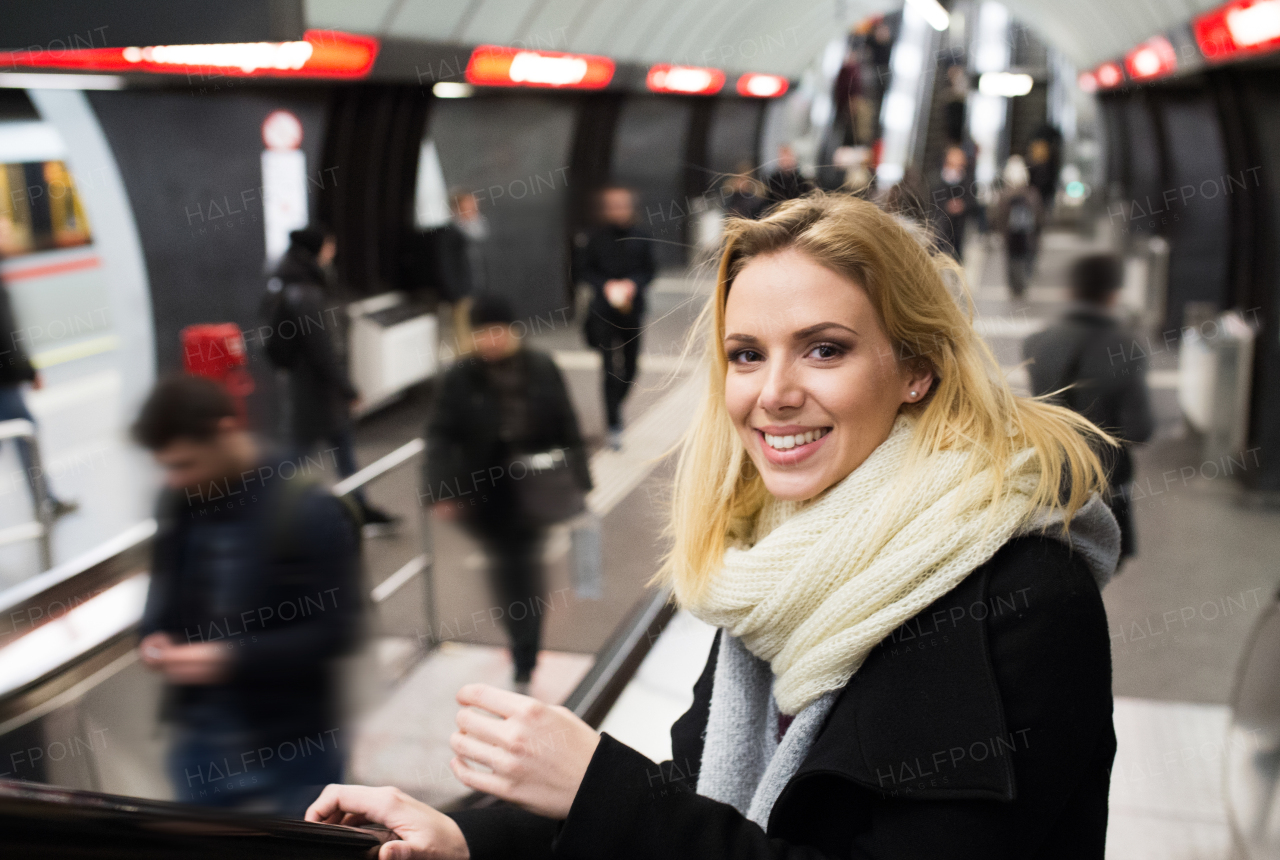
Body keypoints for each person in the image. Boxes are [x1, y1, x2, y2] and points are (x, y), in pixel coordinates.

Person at [307, 194, 1120, 860]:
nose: (773, 393)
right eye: (746, 354)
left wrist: (599, 787)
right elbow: (706, 793)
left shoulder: (1026, 598)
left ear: (916, 368)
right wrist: (470, 837)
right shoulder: (783, 561)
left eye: (825, 350)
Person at [134, 374, 361, 817]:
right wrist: (154, 633)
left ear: (224, 432)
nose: (176, 478)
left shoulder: (307, 507)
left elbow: (337, 632)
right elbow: (164, 588)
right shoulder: (181, 501)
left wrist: (227, 659)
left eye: (185, 464)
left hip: (294, 747)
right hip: (201, 743)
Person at [424, 294, 592, 691]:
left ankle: (524, 651)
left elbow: (568, 422)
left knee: (521, 571)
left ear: (513, 331)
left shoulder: (540, 367)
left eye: (498, 331)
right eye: (482, 333)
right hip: (487, 493)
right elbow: (440, 435)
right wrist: (440, 489)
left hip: (535, 486)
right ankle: (523, 644)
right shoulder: (460, 376)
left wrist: (582, 480)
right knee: (509, 574)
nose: (491, 340)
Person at [266, 226, 398, 533]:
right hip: (315, 392)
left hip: (315, 390)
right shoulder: (307, 292)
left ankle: (360, 506)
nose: (332, 252)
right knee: (299, 455)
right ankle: (268, 513)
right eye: (328, 245)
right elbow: (321, 349)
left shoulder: (295, 285)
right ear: (317, 250)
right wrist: (346, 386)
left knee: (339, 450)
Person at [1024, 253, 1153, 564]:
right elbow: (1139, 430)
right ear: (1113, 294)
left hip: (1053, 481)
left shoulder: (1037, 343)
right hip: (1107, 487)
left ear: (1071, 292)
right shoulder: (1126, 347)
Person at [579, 186, 656, 449]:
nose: (617, 209)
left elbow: (649, 270)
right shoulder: (595, 238)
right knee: (610, 370)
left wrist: (633, 284)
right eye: (612, 205)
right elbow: (584, 271)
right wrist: (606, 286)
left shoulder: (642, 237)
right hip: (603, 311)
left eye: (622, 204)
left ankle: (616, 404)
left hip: (632, 311)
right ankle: (613, 421)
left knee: (631, 367)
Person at [0, 270, 76, 520]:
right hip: (4, 382)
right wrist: (28, 371)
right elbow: (6, 332)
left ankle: (46, 501)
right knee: (26, 437)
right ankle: (45, 502)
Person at [994, 155, 1044, 299]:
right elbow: (1039, 216)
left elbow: (998, 216)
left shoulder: (1004, 195)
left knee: (1012, 259)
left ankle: (1015, 285)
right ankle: (1022, 283)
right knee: (1024, 258)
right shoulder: (1032, 194)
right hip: (1027, 236)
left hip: (1010, 236)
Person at [931, 144, 973, 261]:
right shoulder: (936, 179)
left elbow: (971, 200)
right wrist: (945, 206)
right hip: (940, 227)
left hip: (958, 229)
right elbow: (931, 200)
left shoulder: (967, 180)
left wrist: (962, 205)